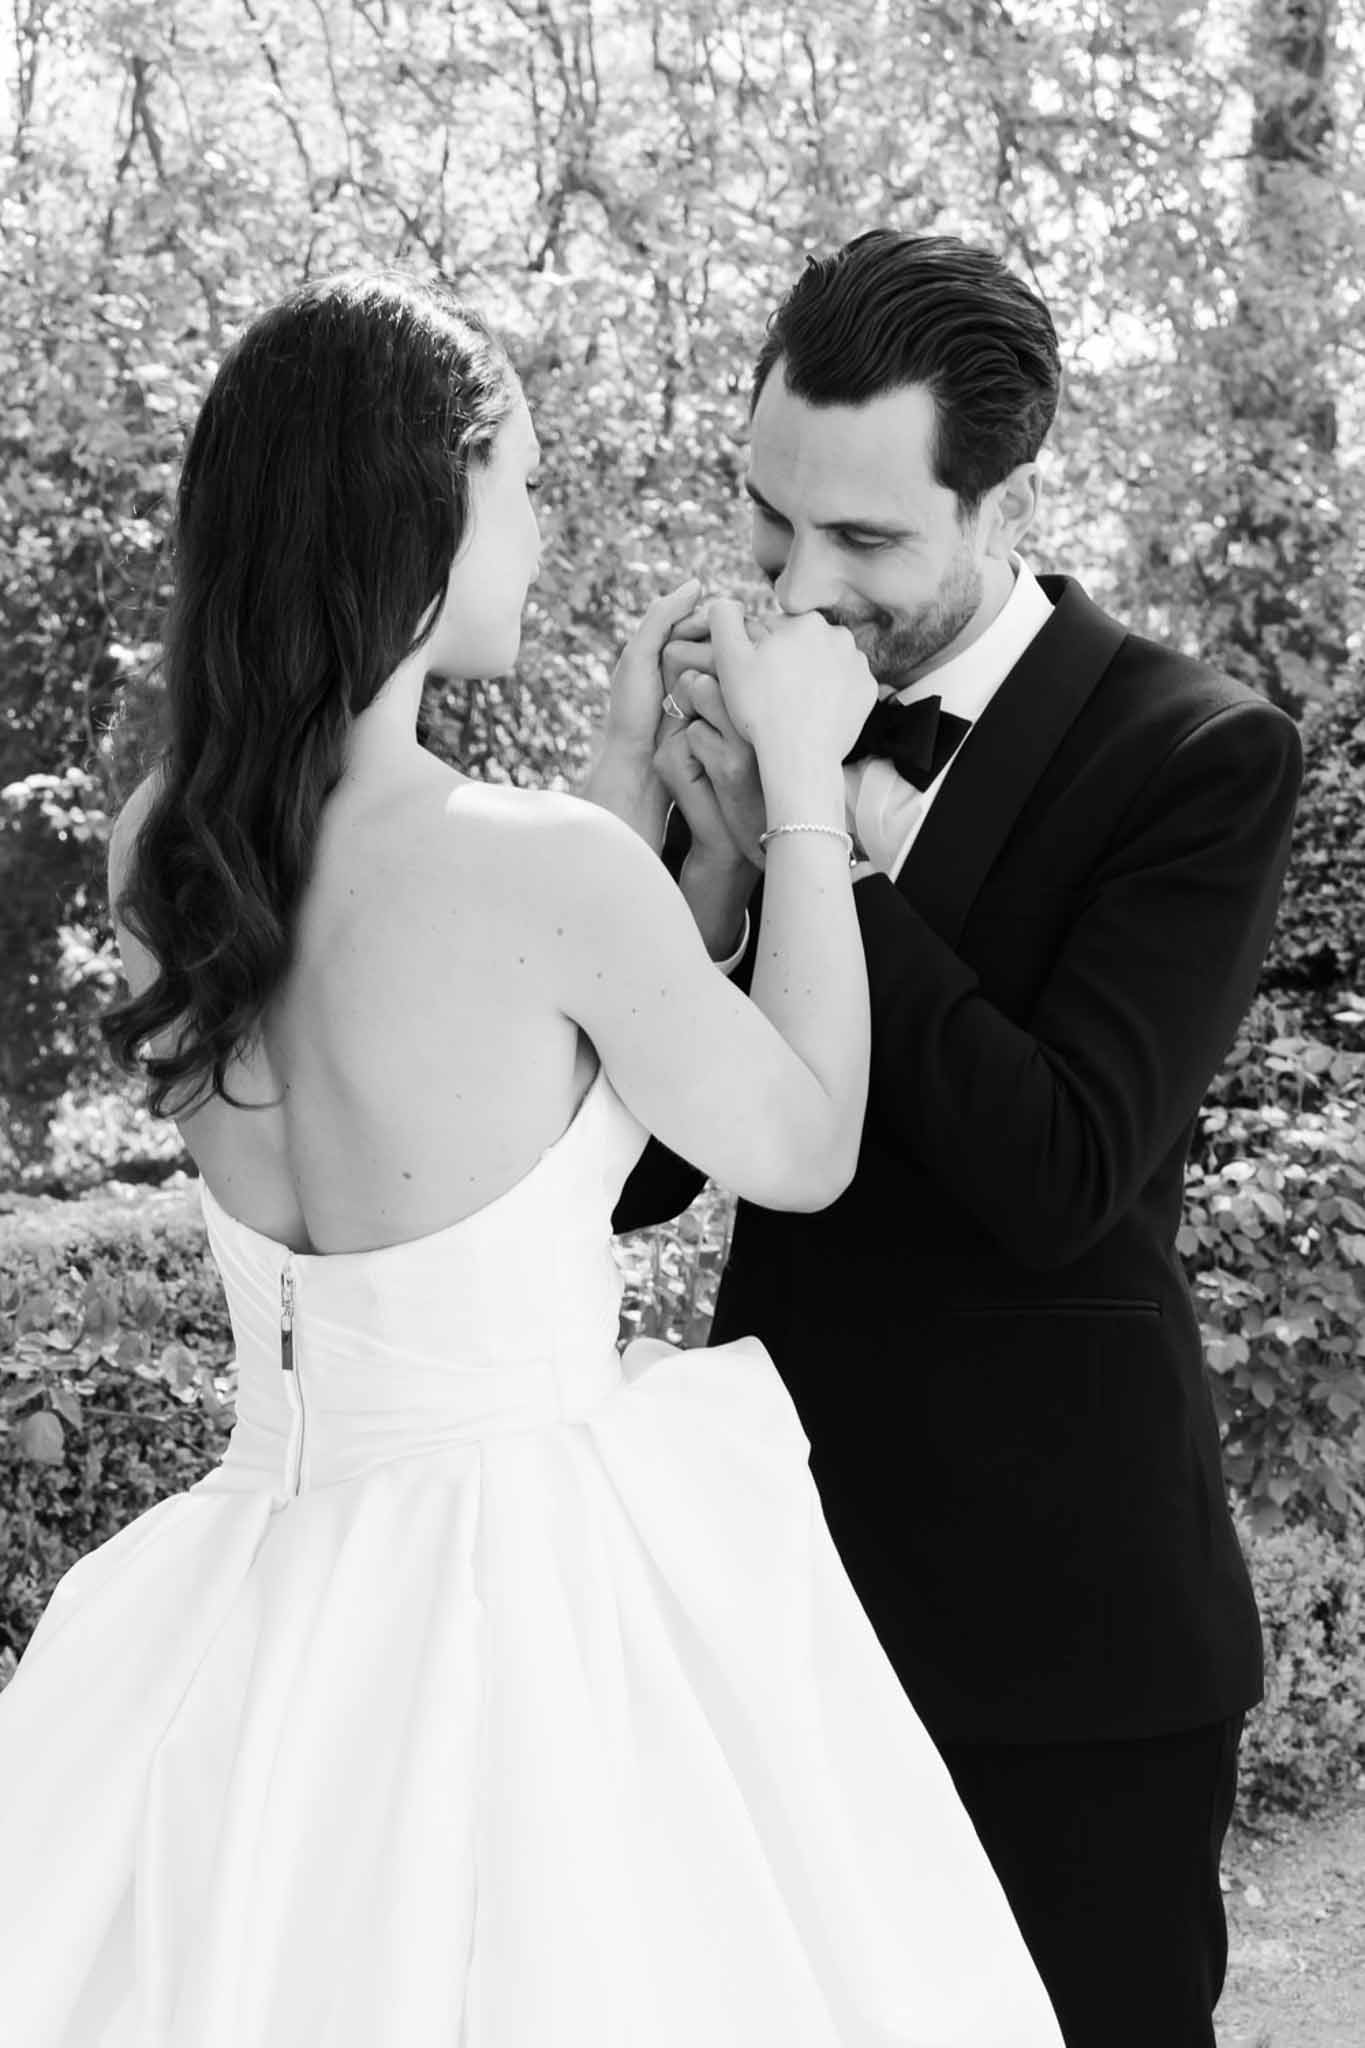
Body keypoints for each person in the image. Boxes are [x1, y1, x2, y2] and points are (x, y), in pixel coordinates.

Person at [0, 274, 1063, 2045]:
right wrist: (802, 794)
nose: (544, 530)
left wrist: (624, 778)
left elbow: (469, 1040)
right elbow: (799, 1145)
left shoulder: (157, 854)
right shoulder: (543, 868)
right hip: (530, 1584)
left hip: (271, 1582)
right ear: (427, 503)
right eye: (529, 487)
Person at [615, 229, 1304, 2048]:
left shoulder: (1197, 753)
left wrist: (809, 838)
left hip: (1068, 1637)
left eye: (863, 541)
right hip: (780, 1597)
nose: (795, 582)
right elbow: (637, 1179)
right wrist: (669, 875)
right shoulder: (737, 712)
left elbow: (1066, 1169)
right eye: (769, 521)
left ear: (1003, 495)